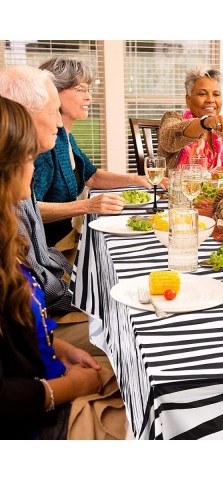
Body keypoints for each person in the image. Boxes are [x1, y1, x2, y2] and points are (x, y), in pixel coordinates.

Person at [0, 95, 103, 439]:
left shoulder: (5, 233)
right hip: (37, 419)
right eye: (28, 157)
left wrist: (59, 346)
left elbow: (13, 329)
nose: (34, 166)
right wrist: (66, 388)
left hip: (47, 372)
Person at [0, 65, 101, 355]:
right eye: (53, 111)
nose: (59, 123)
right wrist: (91, 296)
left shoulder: (23, 172)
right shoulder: (13, 184)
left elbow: (42, 261)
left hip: (50, 294)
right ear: (23, 114)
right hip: (45, 322)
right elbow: (36, 291)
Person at [34, 56, 166, 248]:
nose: (89, 97)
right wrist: (86, 206)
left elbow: (92, 177)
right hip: (50, 250)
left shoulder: (65, 137)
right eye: (80, 90)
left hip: (66, 240)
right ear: (53, 92)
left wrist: (136, 179)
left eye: (88, 89)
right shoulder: (47, 144)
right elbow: (26, 209)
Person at [158, 66, 223, 171]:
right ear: (188, 100)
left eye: (216, 94)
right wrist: (206, 122)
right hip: (177, 186)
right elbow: (169, 138)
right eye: (202, 94)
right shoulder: (173, 118)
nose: (211, 100)